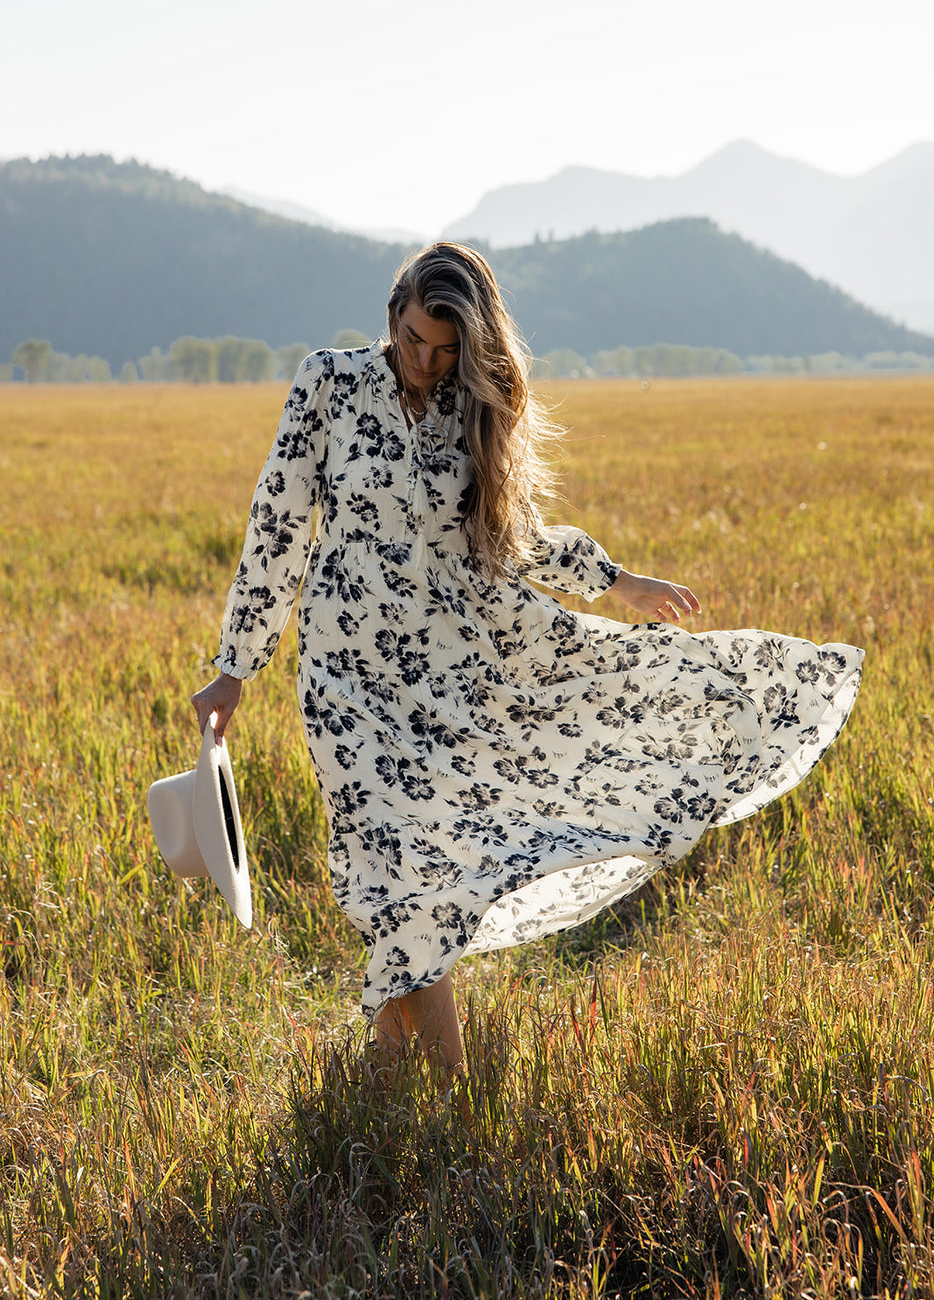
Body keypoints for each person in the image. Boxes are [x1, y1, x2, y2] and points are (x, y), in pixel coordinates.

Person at [191, 242, 862, 1082]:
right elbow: (278, 530)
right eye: (411, 340)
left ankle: (403, 1085)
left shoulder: (470, 406)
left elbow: (515, 537)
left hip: (451, 673)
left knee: (417, 871)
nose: (424, 363)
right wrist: (236, 666)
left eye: (443, 350)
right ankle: (425, 1090)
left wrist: (620, 581)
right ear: (391, 310)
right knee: (391, 861)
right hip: (343, 680)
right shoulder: (327, 383)